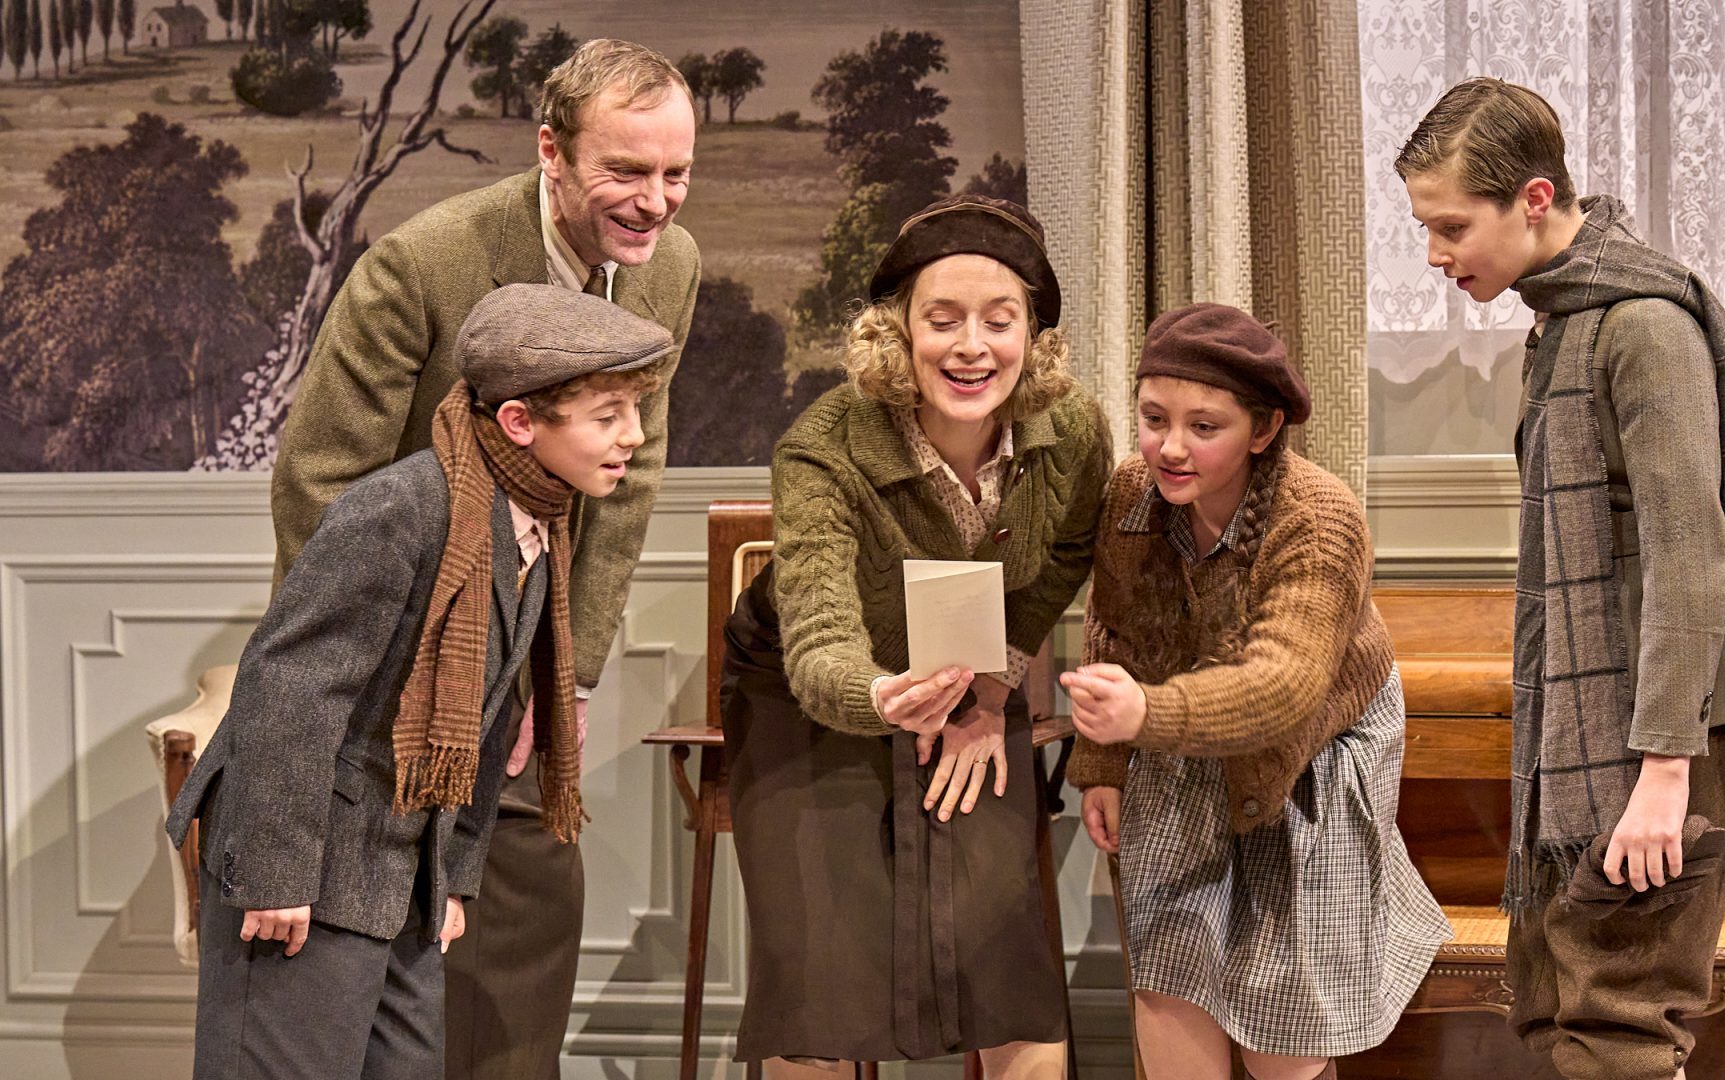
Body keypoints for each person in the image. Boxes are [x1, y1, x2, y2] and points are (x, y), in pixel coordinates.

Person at [267, 39, 700, 1078]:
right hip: (401, 655)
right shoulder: (424, 265)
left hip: (530, 642)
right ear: (551, 152)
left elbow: (633, 477)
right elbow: (318, 483)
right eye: (626, 172)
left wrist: (573, 668)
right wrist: (409, 668)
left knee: (523, 924)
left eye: (676, 173)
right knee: (385, 963)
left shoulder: (668, 272)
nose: (656, 202)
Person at [1396, 77, 1725, 1080]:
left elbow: (1690, 554)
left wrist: (1664, 774)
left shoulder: (1643, 329)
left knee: (1618, 1025)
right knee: (1560, 1005)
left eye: (1453, 225)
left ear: (1533, 199)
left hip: (1653, 744)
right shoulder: (1563, 322)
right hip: (1597, 737)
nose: (1436, 253)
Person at [166, 285, 672, 1080]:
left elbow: (485, 716)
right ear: (519, 423)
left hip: (405, 872)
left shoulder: (533, 519)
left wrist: (455, 876)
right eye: (607, 415)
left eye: (633, 410)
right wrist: (277, 875)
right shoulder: (401, 510)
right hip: (310, 864)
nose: (634, 436)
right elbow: (290, 683)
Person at [718, 194, 1110, 1078]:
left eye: (999, 321)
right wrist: (883, 698)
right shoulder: (822, 448)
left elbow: (1069, 554)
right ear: (898, 334)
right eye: (943, 320)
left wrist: (994, 687)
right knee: (819, 981)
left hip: (971, 679)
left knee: (1006, 969)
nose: (972, 346)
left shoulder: (1075, 431)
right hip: (805, 693)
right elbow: (818, 640)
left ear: (1033, 335)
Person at [1061, 303, 1449, 1080]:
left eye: (1205, 427)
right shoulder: (1133, 497)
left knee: (1283, 1028)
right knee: (1171, 984)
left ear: (1262, 431)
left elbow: (1286, 685)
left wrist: (1148, 712)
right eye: (1153, 418)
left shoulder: (1318, 517)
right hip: (1179, 749)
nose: (1171, 446)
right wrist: (1102, 763)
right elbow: (1116, 627)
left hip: (1310, 763)